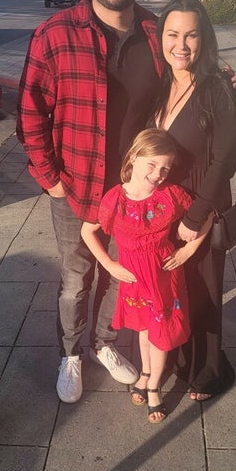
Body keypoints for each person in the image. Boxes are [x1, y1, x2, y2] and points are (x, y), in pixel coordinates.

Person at [17, 0, 236, 405]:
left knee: (127, 274)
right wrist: (49, 179)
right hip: (77, 186)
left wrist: (227, 81)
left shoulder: (153, 32)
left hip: (139, 192)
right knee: (77, 278)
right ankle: (71, 354)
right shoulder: (55, 35)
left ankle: (104, 343)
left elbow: (188, 70)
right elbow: (30, 113)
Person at [150, 0, 236, 401]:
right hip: (165, 210)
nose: (181, 45)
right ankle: (178, 359)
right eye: (172, 34)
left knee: (204, 292)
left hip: (200, 208)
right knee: (175, 290)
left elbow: (224, 160)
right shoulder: (162, 84)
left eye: (191, 35)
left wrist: (196, 215)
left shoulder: (219, 88)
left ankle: (210, 369)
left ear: (204, 38)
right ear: (161, 37)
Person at [81, 129, 211, 423]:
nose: (158, 174)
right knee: (143, 329)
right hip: (135, 279)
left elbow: (206, 215)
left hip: (164, 276)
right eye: (152, 164)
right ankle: (146, 372)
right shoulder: (114, 199)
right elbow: (87, 231)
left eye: (165, 168)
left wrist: (189, 250)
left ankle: (153, 386)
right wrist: (109, 264)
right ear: (134, 157)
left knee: (161, 334)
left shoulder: (170, 195)